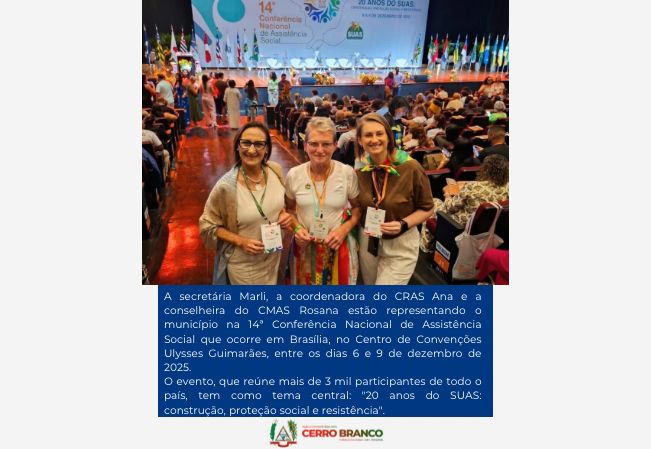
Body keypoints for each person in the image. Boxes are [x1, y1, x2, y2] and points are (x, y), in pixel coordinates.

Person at [199, 122, 292, 284]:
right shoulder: (226, 187)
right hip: (244, 266)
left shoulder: (275, 170)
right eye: (246, 143)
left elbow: (278, 203)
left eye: (259, 144)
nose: (251, 150)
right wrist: (241, 241)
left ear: (267, 149)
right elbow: (207, 225)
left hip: (272, 258)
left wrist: (283, 214)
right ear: (237, 146)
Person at [355, 113, 434, 284]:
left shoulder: (411, 167)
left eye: (379, 133)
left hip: (401, 243)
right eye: (368, 135)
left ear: (388, 137)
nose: (374, 139)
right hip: (369, 240)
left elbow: (427, 208)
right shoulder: (360, 167)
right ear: (360, 141)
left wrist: (403, 224)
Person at [284, 117, 362, 285]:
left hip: (337, 246)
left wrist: (344, 230)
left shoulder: (346, 173)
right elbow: (289, 210)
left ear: (335, 145)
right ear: (305, 145)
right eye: (314, 144)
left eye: (326, 144)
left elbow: (357, 208)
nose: (320, 150)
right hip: (304, 247)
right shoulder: (294, 174)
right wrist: (296, 229)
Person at [420, 155, 509, 252]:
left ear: (486, 169)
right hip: (486, 228)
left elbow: (450, 207)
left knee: (434, 202)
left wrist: (447, 195)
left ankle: (426, 247)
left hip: (458, 225)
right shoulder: (507, 187)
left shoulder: (472, 187)